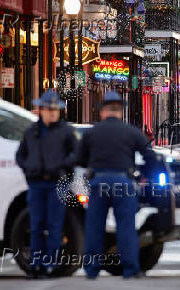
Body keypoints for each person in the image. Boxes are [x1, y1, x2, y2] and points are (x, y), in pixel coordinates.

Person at [78, 91, 156, 279]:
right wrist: (142, 175)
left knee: (95, 226)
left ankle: (91, 269)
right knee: (126, 227)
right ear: (120, 112)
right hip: (123, 182)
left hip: (98, 183)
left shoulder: (92, 132)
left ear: (102, 112)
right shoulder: (130, 131)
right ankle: (130, 269)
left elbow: (79, 158)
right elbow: (150, 155)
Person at [15, 90, 78, 278]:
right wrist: (28, 169)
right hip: (36, 184)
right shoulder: (31, 131)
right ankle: (36, 264)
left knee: (54, 225)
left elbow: (76, 153)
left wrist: (63, 167)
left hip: (56, 184)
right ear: (41, 110)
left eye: (55, 109)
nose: (52, 113)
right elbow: (20, 155)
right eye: (48, 109)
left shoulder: (66, 131)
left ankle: (50, 264)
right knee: (35, 225)